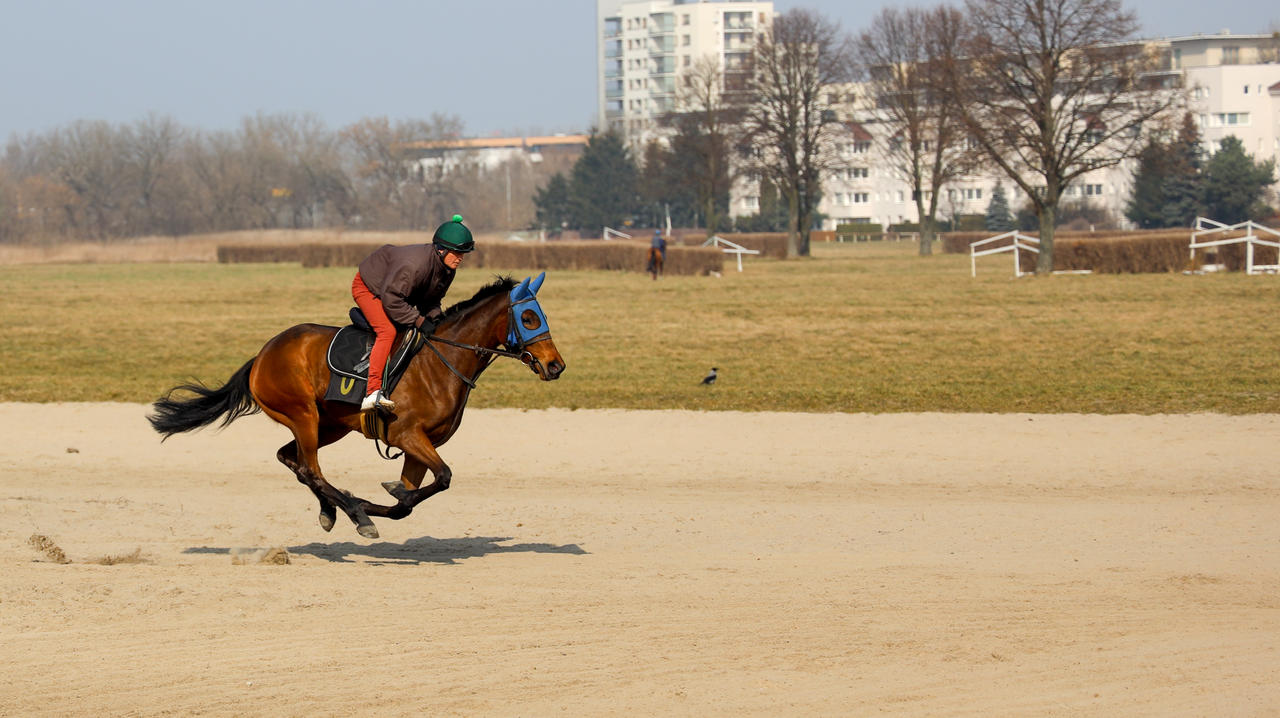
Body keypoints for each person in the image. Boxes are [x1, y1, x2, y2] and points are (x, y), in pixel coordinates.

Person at [350, 214, 474, 412]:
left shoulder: (448, 269)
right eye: (457, 253)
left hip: (395, 291)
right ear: (440, 249)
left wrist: (436, 319)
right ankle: (372, 392)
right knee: (387, 331)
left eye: (464, 253)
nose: (461, 258)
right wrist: (418, 320)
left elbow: (431, 300)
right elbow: (392, 299)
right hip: (369, 287)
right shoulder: (414, 266)